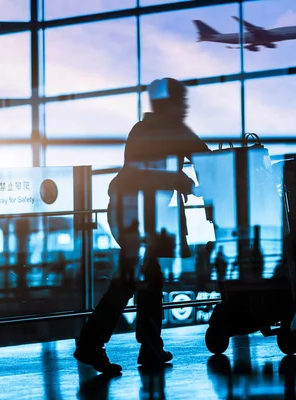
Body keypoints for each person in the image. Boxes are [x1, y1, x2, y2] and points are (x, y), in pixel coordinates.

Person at [74, 78, 210, 374]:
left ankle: (134, 347)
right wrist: (184, 181)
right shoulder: (149, 131)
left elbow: (204, 158)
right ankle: (106, 345)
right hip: (130, 214)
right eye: (181, 102)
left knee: (140, 280)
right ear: (168, 104)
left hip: (138, 216)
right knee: (135, 279)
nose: (185, 108)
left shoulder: (166, 130)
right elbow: (141, 174)